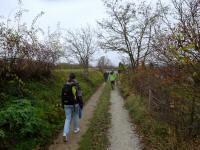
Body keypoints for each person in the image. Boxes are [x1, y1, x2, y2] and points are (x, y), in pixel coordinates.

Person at [61, 73, 83, 142]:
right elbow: (80, 95)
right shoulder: (77, 85)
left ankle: (65, 133)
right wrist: (81, 103)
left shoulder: (65, 85)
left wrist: (62, 104)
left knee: (67, 118)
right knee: (75, 115)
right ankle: (76, 129)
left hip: (66, 104)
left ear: (69, 77)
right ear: (75, 78)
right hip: (75, 104)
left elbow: (62, 96)